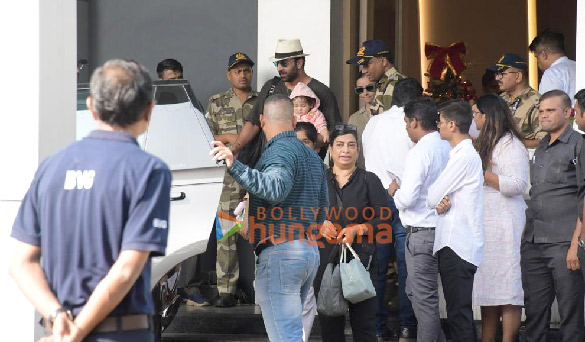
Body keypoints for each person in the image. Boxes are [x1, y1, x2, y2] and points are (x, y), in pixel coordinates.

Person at [9, 59, 172, 342]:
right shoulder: (148, 170)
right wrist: (79, 331)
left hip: (56, 332)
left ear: (91, 107)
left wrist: (57, 316)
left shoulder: (51, 166)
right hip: (120, 334)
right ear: (149, 110)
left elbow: (21, 263)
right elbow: (125, 270)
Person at [210, 94, 327, 342]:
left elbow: (275, 188)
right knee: (293, 334)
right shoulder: (311, 157)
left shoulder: (279, 152)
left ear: (261, 120)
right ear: (294, 120)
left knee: (287, 338)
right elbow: (322, 211)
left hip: (282, 254)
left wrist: (235, 165)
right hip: (307, 251)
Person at [316, 124, 390, 342]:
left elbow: (384, 218)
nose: (345, 150)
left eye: (351, 145)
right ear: (330, 149)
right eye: (339, 145)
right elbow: (302, 215)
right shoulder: (319, 180)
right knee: (330, 327)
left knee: (364, 328)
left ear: (358, 149)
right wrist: (318, 224)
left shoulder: (370, 180)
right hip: (326, 262)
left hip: (361, 262)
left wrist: (359, 229)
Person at [522, 90, 585, 342]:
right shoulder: (541, 147)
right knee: (535, 312)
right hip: (534, 243)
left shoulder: (579, 145)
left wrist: (575, 245)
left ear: (568, 112)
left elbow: (583, 197)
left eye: (550, 110)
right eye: (541, 110)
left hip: (563, 243)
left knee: (570, 314)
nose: (544, 115)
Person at [363, 78, 421, 341]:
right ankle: (408, 327)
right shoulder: (413, 124)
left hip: (374, 200)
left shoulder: (373, 123)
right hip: (403, 199)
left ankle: (376, 327)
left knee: (377, 268)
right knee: (406, 268)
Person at [471, 94, 529, 342]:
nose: (474, 118)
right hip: (487, 224)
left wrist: (484, 174)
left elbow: (518, 184)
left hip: (506, 223)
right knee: (487, 287)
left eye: (476, 113)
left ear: (487, 115)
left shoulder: (511, 144)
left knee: (508, 289)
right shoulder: (485, 141)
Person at [392, 97, 451, 342]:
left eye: (407, 123)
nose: (406, 129)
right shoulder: (447, 146)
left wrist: (395, 190)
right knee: (416, 293)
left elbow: (407, 198)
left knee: (424, 298)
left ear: (415, 122)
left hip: (422, 232)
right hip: (444, 230)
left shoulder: (421, 151)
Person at [427, 100, 485, 342]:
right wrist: (441, 200)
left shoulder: (463, 156)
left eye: (440, 122)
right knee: (457, 313)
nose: (437, 125)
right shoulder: (461, 154)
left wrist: (438, 199)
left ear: (452, 125)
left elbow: (431, 196)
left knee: (459, 315)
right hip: (456, 242)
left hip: (458, 245)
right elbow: (439, 198)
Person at [231, 39, 341, 165]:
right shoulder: (271, 87)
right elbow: (254, 122)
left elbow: (334, 134)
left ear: (299, 63)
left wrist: (303, 138)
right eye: (276, 64)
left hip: (306, 168)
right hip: (272, 165)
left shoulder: (321, 92)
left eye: (284, 64)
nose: (279, 68)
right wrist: (237, 146)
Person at [205, 52, 258, 308]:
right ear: (229, 75)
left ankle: (264, 288)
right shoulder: (216, 102)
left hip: (259, 174)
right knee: (226, 234)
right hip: (227, 179)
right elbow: (207, 137)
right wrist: (229, 137)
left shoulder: (262, 101)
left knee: (265, 229)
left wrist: (230, 138)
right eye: (238, 70)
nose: (243, 74)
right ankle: (226, 290)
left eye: (247, 70)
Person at [488, 53, 545, 148]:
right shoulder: (501, 99)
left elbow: (543, 141)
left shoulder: (535, 102)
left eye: (502, 74)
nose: (497, 78)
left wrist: (510, 145)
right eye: (497, 74)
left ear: (518, 76)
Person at [346, 39, 406, 114]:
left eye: (367, 65)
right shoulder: (383, 83)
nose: (364, 71)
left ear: (383, 61)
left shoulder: (395, 84)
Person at [529, 29, 576, 103]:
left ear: (544, 55)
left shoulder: (551, 73)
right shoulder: (578, 67)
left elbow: (549, 107)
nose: (537, 63)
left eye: (537, 57)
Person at [348, 74, 377, 169]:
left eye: (370, 88)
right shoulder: (354, 119)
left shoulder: (387, 115)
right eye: (360, 90)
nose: (365, 93)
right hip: (361, 171)